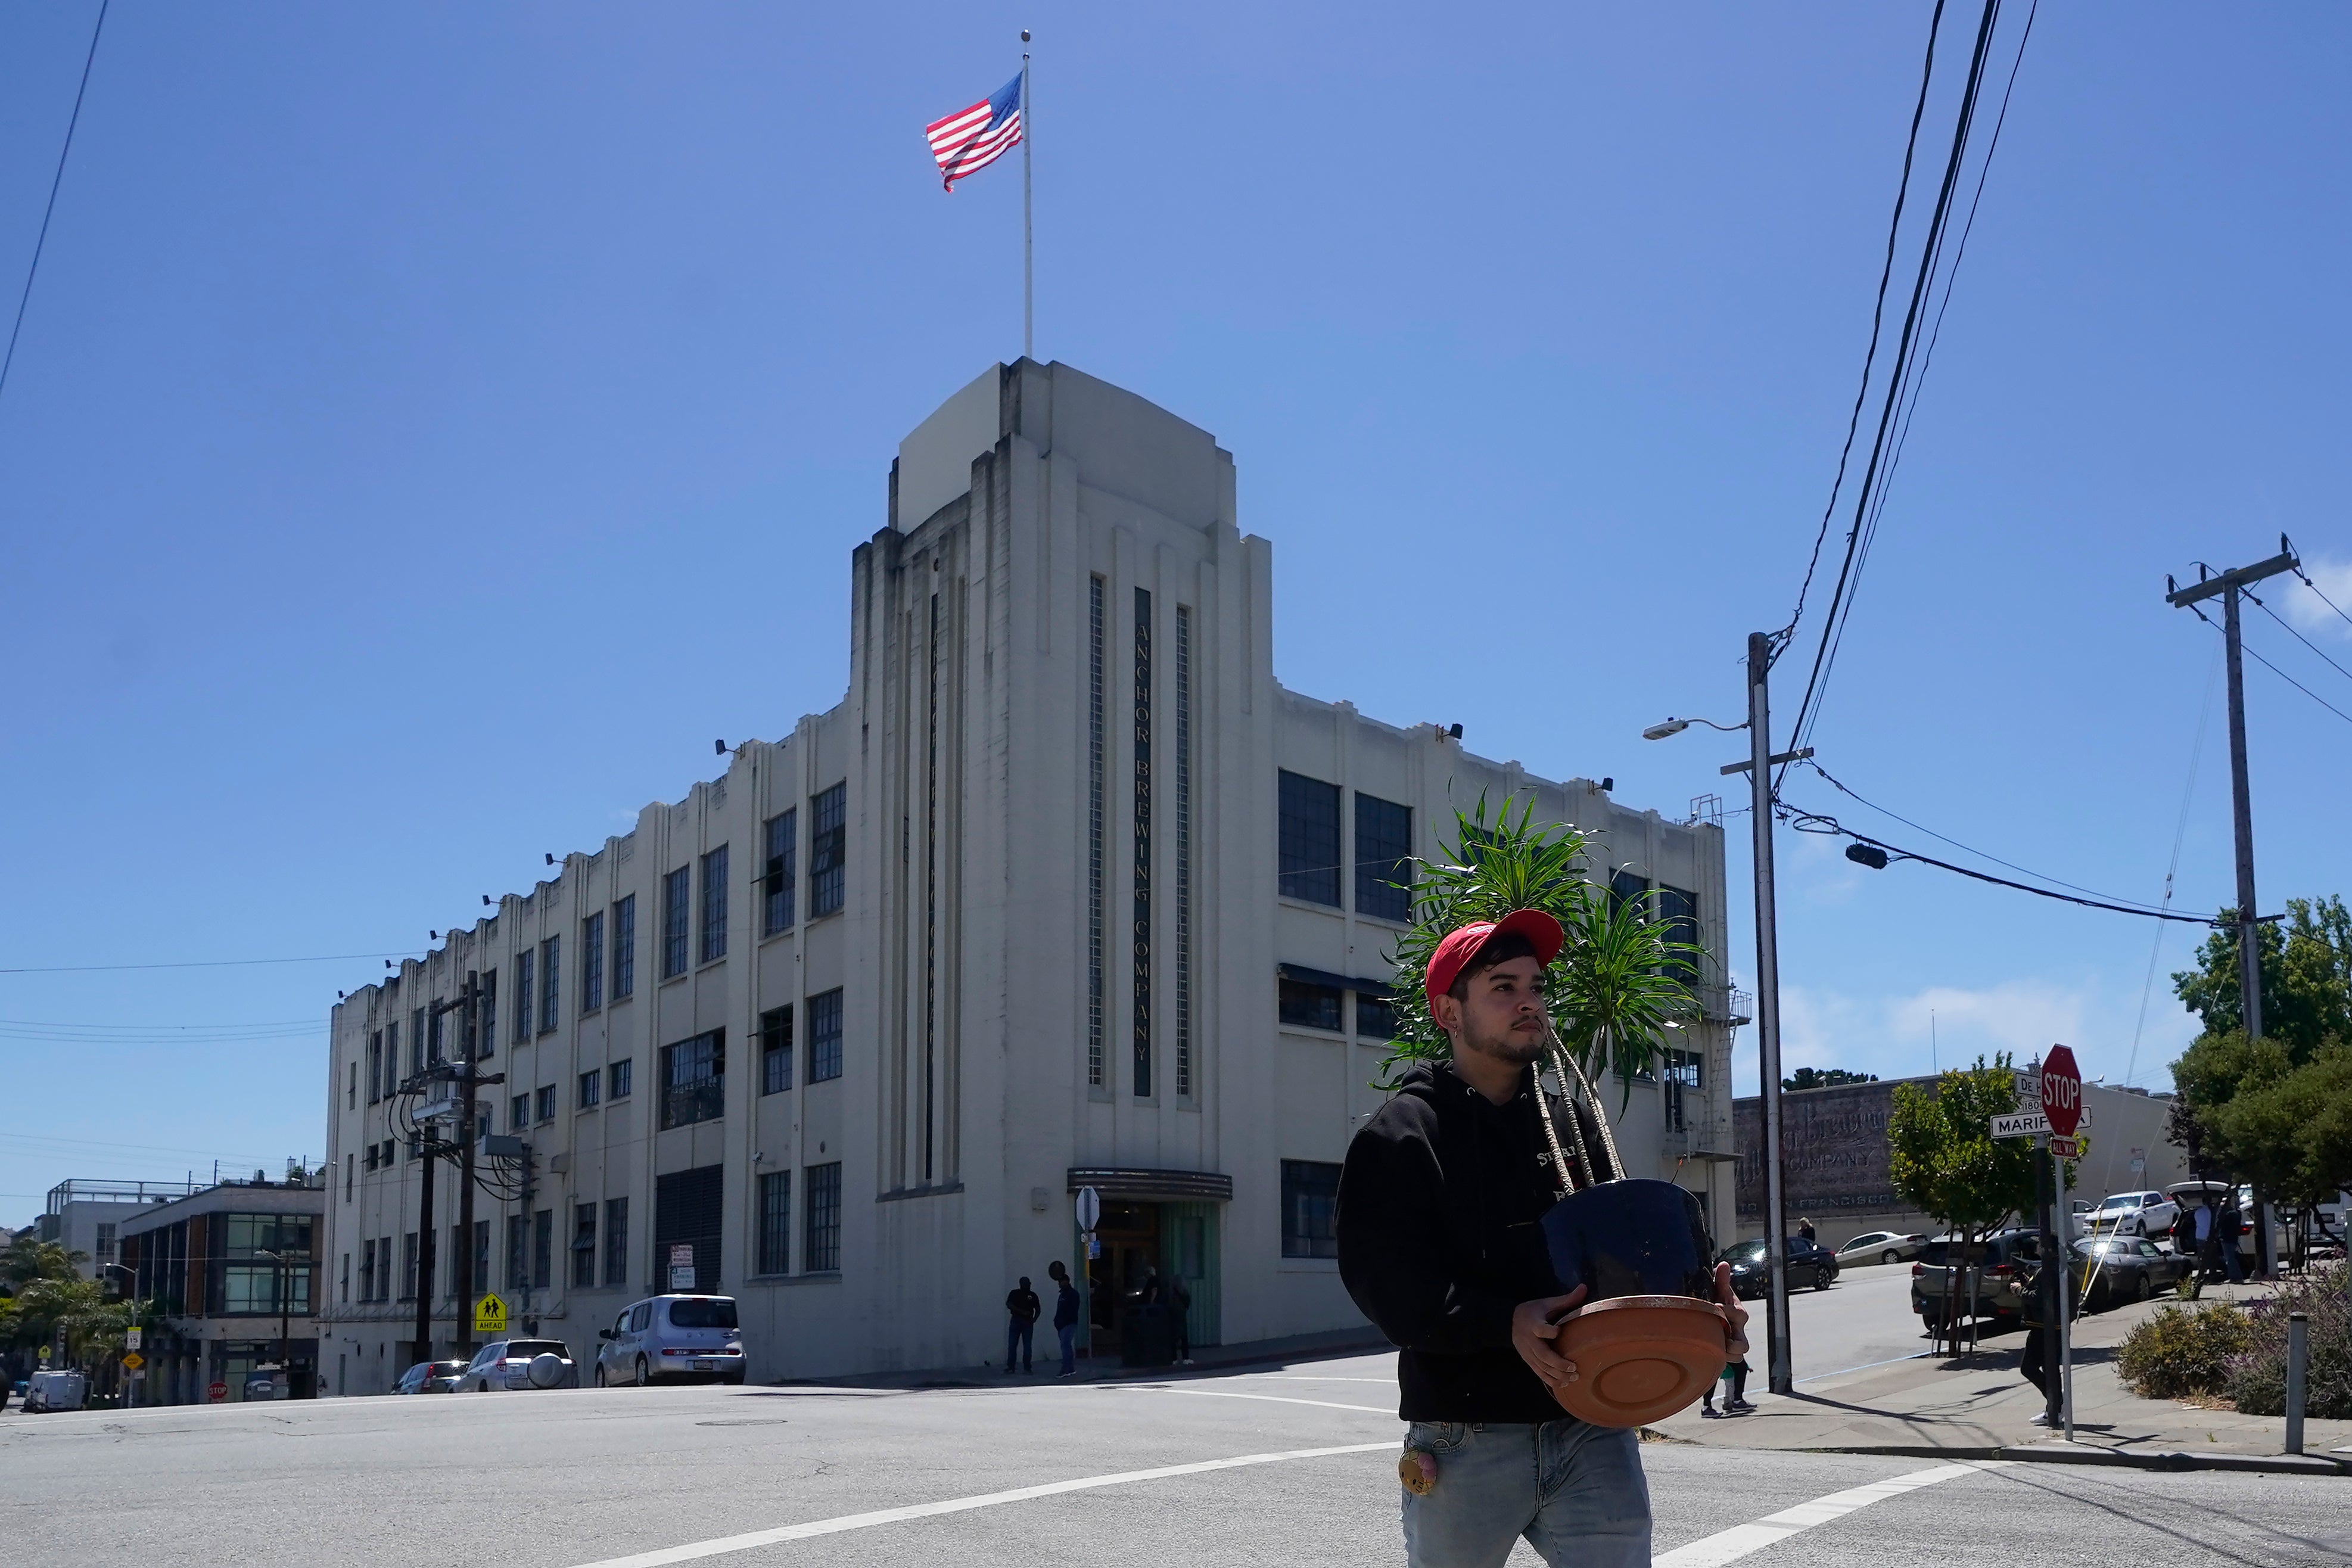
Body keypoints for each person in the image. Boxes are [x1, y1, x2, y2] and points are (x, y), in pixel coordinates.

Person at [1338, 910, 1750, 1568]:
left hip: (1591, 1426)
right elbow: (1387, 1288)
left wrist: (1696, 1315)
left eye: (1535, 986)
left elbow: (1618, 1267)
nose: (1528, 1001)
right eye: (1503, 987)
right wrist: (1505, 1321)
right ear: (1449, 1012)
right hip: (1465, 1434)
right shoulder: (1402, 1136)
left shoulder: (1572, 1124)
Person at [1049, 1261, 1081, 1378]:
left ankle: (1065, 1369)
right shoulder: (1063, 1294)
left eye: (1061, 1282)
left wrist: (1063, 1322)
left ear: (1066, 1282)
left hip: (1068, 1324)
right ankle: (1071, 1369)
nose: (1059, 1284)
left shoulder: (1072, 1294)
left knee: (1065, 1347)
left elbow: (1071, 1310)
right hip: (1063, 1325)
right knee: (1067, 1346)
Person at [1003, 1275, 1041, 1376]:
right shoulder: (1015, 1293)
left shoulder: (1032, 1295)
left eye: (1029, 1283)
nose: (1028, 1285)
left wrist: (1035, 1319)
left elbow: (1038, 1308)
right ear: (1021, 1284)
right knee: (1012, 1344)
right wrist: (1022, 1312)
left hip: (1028, 1322)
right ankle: (1011, 1367)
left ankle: (1027, 1368)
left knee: (1027, 1346)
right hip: (1016, 1320)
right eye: (1026, 1283)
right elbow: (1009, 1304)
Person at [1169, 1272, 1193, 1366]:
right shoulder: (1184, 1292)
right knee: (1184, 1338)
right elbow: (1187, 1303)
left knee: (1173, 1339)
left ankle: (1174, 1359)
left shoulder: (1171, 1293)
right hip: (1182, 1316)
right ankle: (1185, 1358)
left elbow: (1167, 1304)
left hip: (1173, 1317)